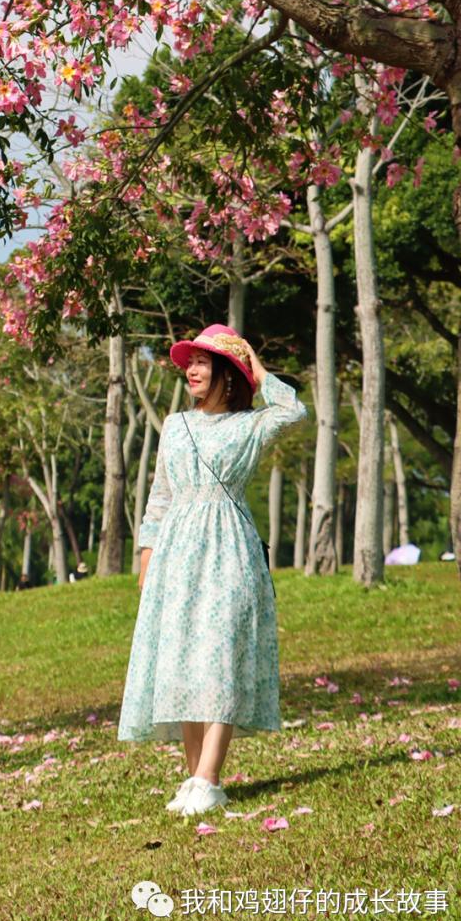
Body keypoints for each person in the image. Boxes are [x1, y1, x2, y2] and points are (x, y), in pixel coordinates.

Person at [117, 324, 310, 819]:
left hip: (230, 548)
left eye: (203, 362)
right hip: (176, 551)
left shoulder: (250, 425)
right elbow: (160, 495)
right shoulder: (175, 425)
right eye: (190, 363)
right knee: (181, 659)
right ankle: (195, 778)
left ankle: (209, 778)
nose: (191, 370)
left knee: (220, 656)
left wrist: (256, 367)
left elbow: (294, 411)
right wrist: (147, 557)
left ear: (228, 373)